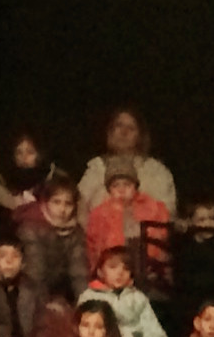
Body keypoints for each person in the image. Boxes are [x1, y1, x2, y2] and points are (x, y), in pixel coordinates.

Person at [83, 158, 172, 289]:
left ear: (135, 186)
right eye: (116, 185)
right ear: (109, 189)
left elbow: (162, 239)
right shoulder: (100, 214)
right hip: (112, 276)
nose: (121, 190)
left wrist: (156, 265)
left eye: (127, 184)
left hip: (148, 273)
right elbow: (93, 246)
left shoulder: (154, 208)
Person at [74, 109, 179, 218]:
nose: (124, 132)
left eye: (131, 128)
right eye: (119, 125)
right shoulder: (96, 167)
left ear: (140, 136)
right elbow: (79, 208)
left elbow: (167, 211)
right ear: (110, 131)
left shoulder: (156, 171)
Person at [78, 246, 166, 337]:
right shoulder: (89, 297)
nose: (120, 273)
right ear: (100, 271)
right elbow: (78, 332)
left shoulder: (138, 299)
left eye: (126, 268)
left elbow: (156, 335)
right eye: (113, 267)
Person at [19, 178, 88, 308]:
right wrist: (47, 304)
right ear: (45, 203)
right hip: (30, 287)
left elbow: (79, 274)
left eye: (68, 204)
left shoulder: (76, 232)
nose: (62, 209)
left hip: (59, 289)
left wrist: (86, 305)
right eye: (56, 202)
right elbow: (35, 273)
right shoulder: (31, 227)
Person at [0, 131, 54, 233]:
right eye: (19, 152)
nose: (24, 157)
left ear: (39, 155)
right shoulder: (2, 182)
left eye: (30, 152)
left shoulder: (51, 182)